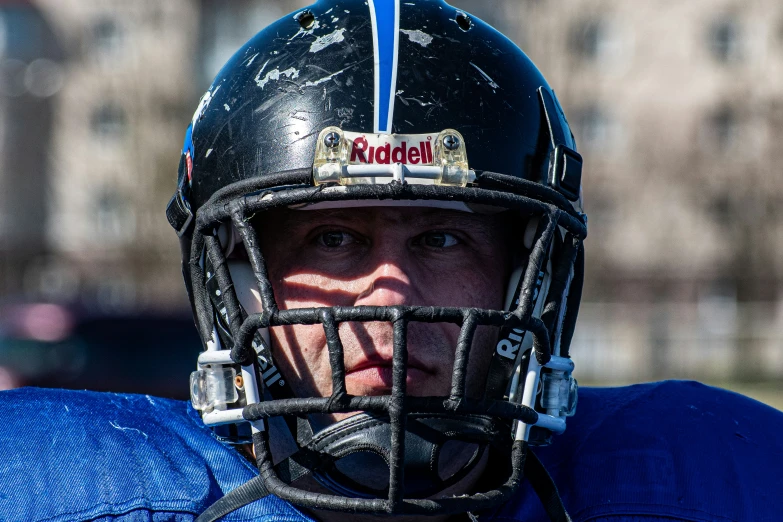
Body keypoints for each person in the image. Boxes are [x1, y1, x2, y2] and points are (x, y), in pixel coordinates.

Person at [2, 1, 782, 521]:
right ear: (236, 278)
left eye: (442, 240)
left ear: (525, 272)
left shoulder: (700, 476)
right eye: (332, 239)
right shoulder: (67, 484)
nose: (392, 293)